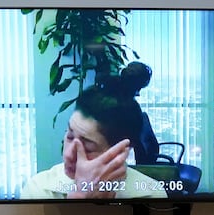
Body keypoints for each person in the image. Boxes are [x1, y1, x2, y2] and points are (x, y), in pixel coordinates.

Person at [20, 78, 168, 200]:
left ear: (120, 153)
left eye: (87, 148)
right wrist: (80, 197)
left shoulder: (152, 194)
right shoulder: (38, 190)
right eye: (70, 136)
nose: (68, 155)